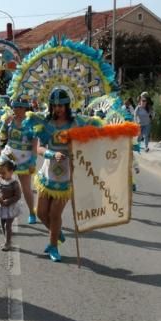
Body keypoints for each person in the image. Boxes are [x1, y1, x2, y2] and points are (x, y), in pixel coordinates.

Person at [30, 89, 102, 262]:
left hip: (68, 174)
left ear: (67, 105)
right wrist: (50, 154)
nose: (58, 109)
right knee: (40, 212)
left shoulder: (76, 123)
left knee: (55, 214)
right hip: (47, 173)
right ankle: (57, 232)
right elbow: (39, 147)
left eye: (61, 105)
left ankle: (53, 245)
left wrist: (75, 149)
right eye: (55, 105)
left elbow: (90, 139)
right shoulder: (46, 123)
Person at [0, 96, 38, 224]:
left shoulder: (32, 122)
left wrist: (33, 160)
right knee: (1, 182)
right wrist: (4, 124)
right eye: (14, 107)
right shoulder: (9, 120)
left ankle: (32, 212)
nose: (16, 109)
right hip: (9, 154)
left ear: (25, 108)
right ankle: (5, 209)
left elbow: (35, 144)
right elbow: (2, 136)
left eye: (19, 107)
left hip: (24, 158)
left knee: (26, 188)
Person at [0, 156, 22, 251]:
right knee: (2, 224)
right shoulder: (0, 181)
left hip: (11, 207)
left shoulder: (14, 183)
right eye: (0, 173)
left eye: (3, 173)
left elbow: (18, 196)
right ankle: (6, 239)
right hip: (2, 206)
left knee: (7, 225)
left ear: (11, 172)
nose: (1, 175)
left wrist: (8, 201)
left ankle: (8, 242)